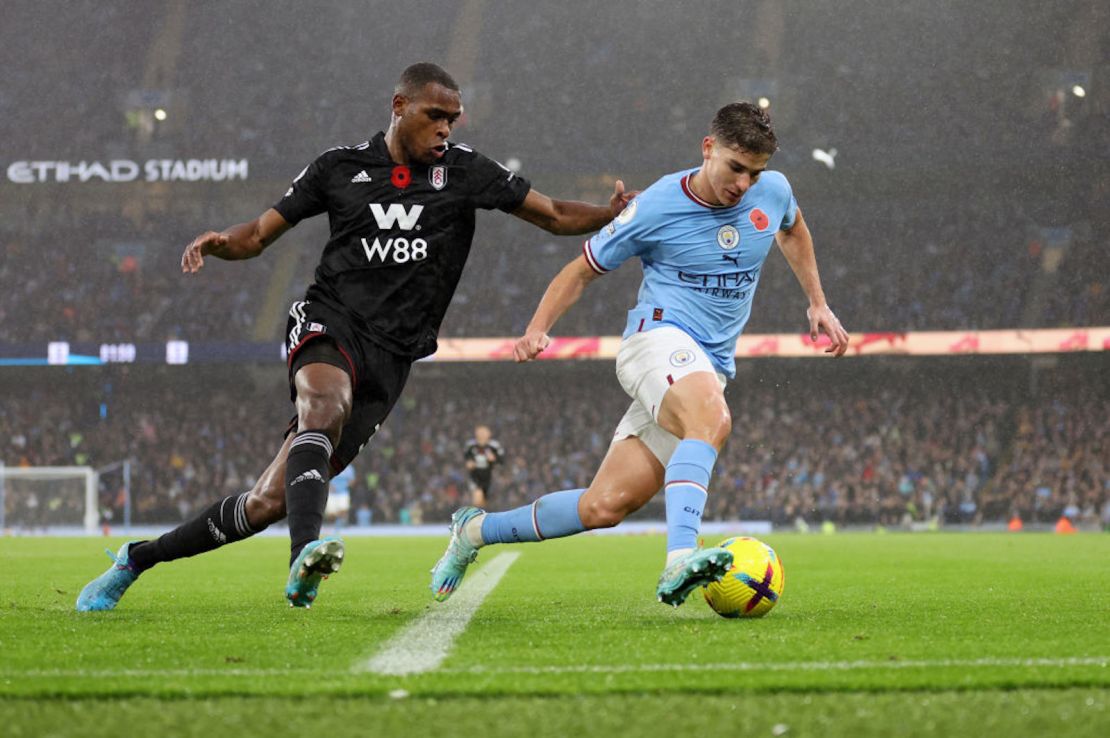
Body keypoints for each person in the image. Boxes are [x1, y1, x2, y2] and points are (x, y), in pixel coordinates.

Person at [76, 62, 634, 611]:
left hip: (394, 355)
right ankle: (304, 555)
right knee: (324, 403)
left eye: (454, 120)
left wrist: (612, 215)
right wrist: (224, 242)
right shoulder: (338, 167)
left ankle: (137, 559)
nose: (446, 129)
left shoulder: (467, 172)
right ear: (399, 107)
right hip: (330, 319)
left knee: (266, 501)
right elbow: (260, 234)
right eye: (435, 115)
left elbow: (556, 214)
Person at [431, 102, 850, 607]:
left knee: (603, 506)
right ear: (708, 148)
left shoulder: (774, 190)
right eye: (735, 168)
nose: (743, 184)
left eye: (754, 172)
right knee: (711, 420)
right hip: (655, 342)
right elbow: (581, 270)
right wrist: (537, 329)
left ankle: (474, 532)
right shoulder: (655, 206)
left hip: (706, 367)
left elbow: (793, 229)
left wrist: (818, 303)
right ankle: (679, 559)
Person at [464, 425, 504, 508]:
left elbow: (501, 461)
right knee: (477, 495)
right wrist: (469, 463)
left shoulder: (494, 446)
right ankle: (476, 516)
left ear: (489, 434)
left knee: (485, 500)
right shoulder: (471, 446)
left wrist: (494, 459)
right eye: (480, 432)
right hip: (475, 476)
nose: (481, 435)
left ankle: (482, 515)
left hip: (490, 476)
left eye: (484, 432)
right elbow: (467, 460)